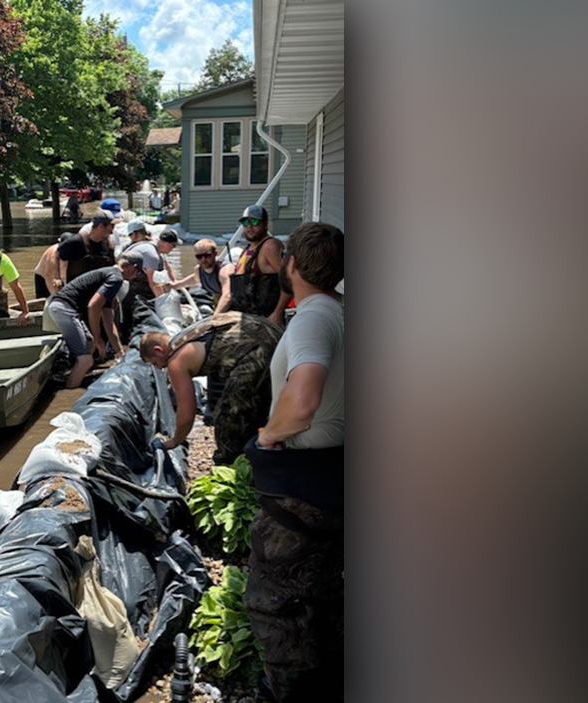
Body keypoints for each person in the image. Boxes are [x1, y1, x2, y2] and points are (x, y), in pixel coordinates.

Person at [243, 221, 344, 702]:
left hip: (304, 483)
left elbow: (302, 401)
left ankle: (292, 692)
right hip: (332, 477)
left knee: (275, 601)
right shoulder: (342, 312)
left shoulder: (313, 318)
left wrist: (268, 437)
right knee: (323, 589)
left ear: (295, 265)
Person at [139, 312, 282, 465]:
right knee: (264, 406)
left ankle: (233, 464)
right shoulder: (185, 336)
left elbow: (187, 411)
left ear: (158, 350)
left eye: (155, 363)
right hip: (271, 331)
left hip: (254, 350)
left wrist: (174, 441)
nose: (160, 368)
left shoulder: (176, 362)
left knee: (229, 418)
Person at [44, 255, 140, 388]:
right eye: (138, 272)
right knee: (86, 360)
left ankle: (74, 376)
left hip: (65, 308)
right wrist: (98, 338)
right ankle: (70, 392)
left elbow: (108, 320)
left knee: (90, 344)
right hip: (64, 309)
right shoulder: (116, 277)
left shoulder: (109, 277)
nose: (136, 277)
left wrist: (119, 352)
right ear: (132, 268)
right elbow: (93, 306)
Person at [215, 204, 290, 326]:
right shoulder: (247, 249)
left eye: (254, 222)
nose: (249, 227)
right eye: (245, 223)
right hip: (247, 320)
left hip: (265, 321)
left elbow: (289, 281)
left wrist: (277, 313)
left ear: (265, 224)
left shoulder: (269, 246)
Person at [118, 222, 179, 339]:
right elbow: (153, 283)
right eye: (173, 246)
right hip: (126, 288)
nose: (173, 249)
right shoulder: (152, 255)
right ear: (166, 244)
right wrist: (165, 307)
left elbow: (167, 267)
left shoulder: (152, 247)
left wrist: (175, 284)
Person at [58, 210, 117, 282]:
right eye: (112, 226)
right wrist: (59, 279)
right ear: (101, 226)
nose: (112, 232)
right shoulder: (75, 242)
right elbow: (55, 257)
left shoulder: (109, 246)